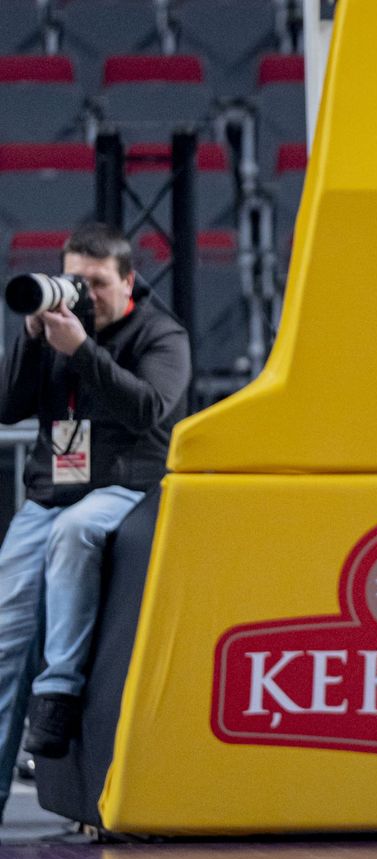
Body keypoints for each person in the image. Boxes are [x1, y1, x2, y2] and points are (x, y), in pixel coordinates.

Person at [0, 223, 190, 813]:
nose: (84, 294)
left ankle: (56, 692)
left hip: (125, 485)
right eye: (73, 281)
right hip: (50, 490)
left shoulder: (162, 333)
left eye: (98, 284)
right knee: (3, 636)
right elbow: (8, 407)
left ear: (128, 281)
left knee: (74, 532)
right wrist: (32, 339)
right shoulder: (54, 329)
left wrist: (82, 349)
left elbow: (148, 410)